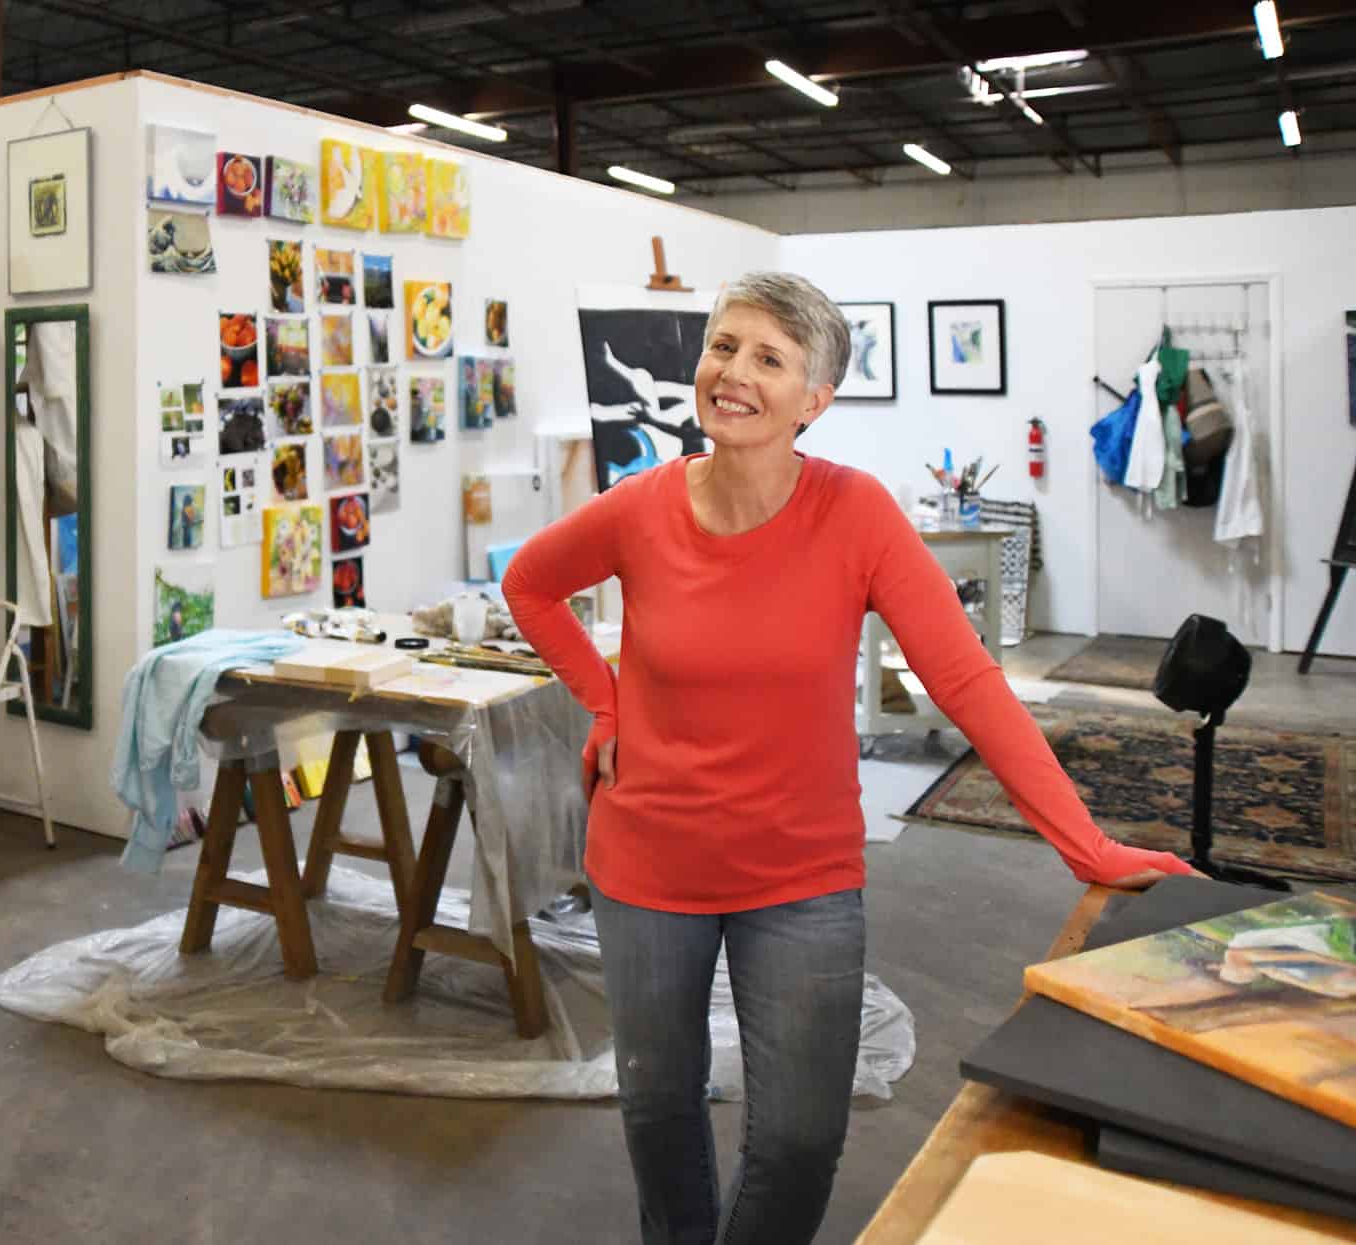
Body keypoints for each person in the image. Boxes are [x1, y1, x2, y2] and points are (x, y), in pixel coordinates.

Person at [501, 272, 1192, 1245]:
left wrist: (1082, 843)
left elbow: (966, 682)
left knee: (793, 1141)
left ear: (813, 401)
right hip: (647, 864)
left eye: (767, 359)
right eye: (722, 346)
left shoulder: (854, 515)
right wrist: (604, 702)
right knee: (659, 1111)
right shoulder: (638, 507)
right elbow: (529, 585)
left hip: (799, 875)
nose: (732, 372)